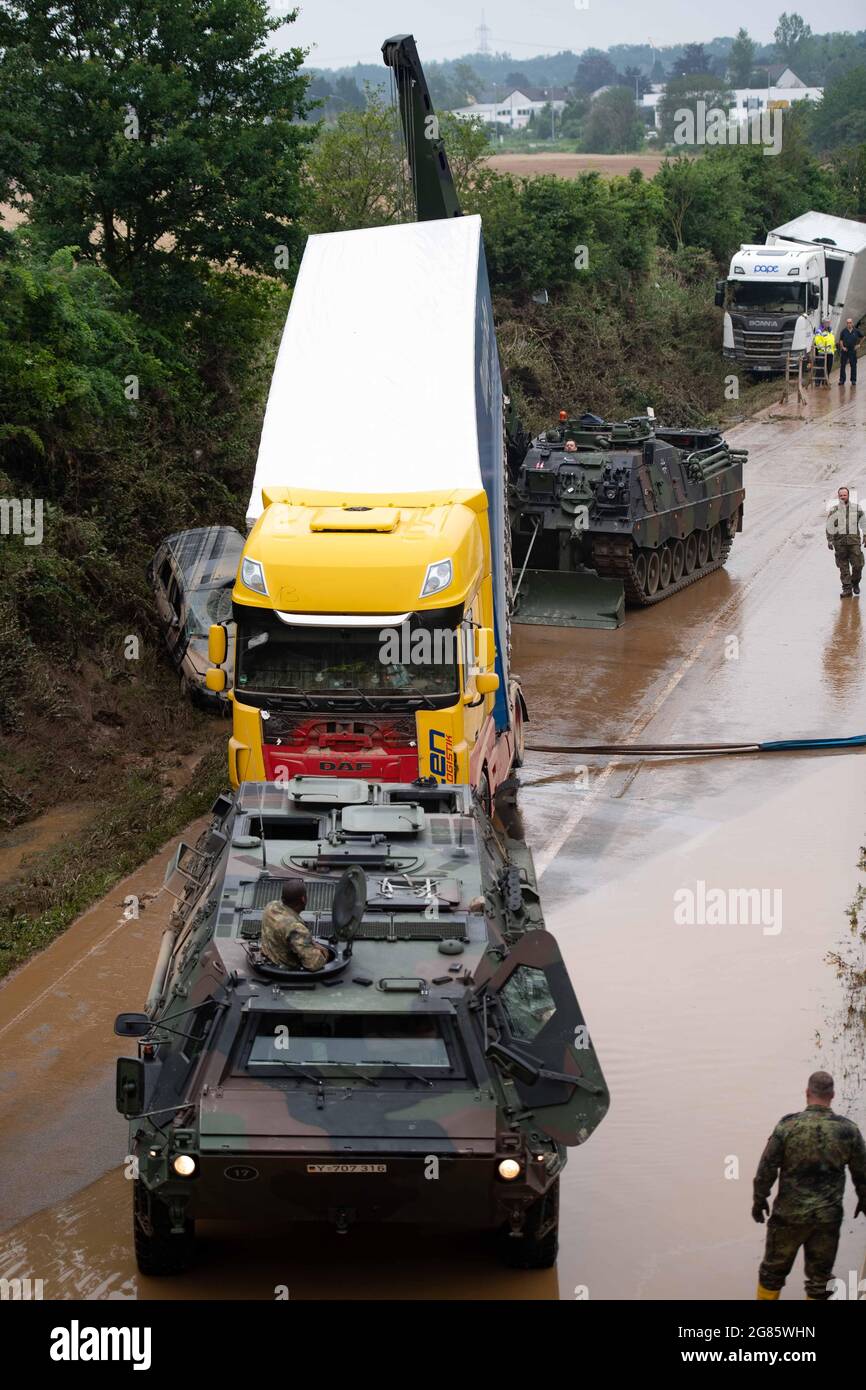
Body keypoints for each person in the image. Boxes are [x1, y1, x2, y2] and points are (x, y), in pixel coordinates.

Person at [752, 1070, 866, 1300]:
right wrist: (864, 1198)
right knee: (819, 1281)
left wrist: (759, 1198)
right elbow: (862, 1174)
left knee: (771, 1274)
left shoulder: (788, 1126)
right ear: (832, 1095)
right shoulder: (848, 1131)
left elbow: (767, 1167)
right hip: (827, 1217)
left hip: (788, 1216)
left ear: (807, 1093)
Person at [259, 878, 327, 970]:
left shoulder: (270, 906)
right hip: (285, 970)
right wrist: (324, 953)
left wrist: (312, 943)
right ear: (303, 899)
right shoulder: (296, 928)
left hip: (270, 958)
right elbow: (314, 964)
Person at [826, 486, 865, 597]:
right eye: (841, 495)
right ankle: (847, 589)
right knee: (843, 567)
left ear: (848, 495)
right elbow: (829, 526)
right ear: (839, 496)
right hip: (840, 544)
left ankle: (855, 582)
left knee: (858, 565)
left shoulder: (857, 509)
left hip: (854, 543)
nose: (843, 497)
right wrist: (829, 540)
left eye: (845, 495)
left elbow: (863, 523)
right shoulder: (834, 510)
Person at [838, 317, 863, 385]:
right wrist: (842, 347)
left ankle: (853, 380)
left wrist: (859, 345)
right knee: (843, 365)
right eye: (848, 323)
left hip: (852, 350)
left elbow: (863, 337)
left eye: (850, 323)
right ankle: (842, 380)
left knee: (853, 365)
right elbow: (841, 340)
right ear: (846, 324)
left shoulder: (856, 331)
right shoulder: (843, 331)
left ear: (852, 323)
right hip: (845, 350)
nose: (849, 324)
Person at [813, 323, 835, 387]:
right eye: (826, 323)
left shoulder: (830, 331)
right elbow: (817, 341)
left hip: (830, 353)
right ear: (823, 324)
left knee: (828, 368)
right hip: (822, 352)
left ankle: (825, 381)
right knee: (820, 368)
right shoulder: (819, 332)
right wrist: (823, 348)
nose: (827, 325)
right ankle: (817, 382)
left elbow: (832, 341)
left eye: (828, 323)